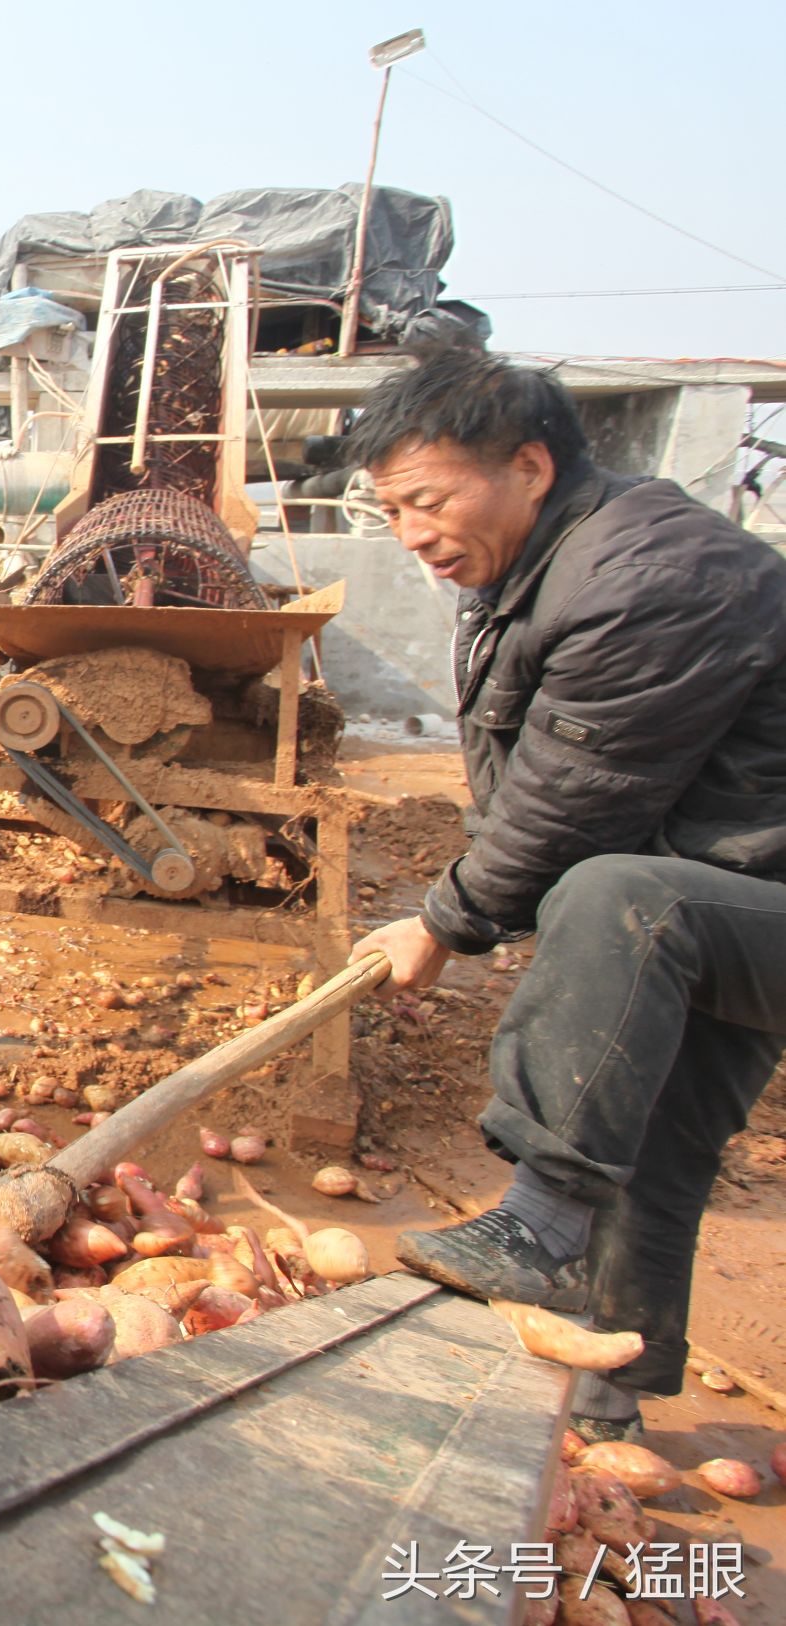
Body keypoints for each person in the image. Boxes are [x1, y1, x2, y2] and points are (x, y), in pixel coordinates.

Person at [349, 349, 786, 1444]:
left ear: (528, 466)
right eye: (390, 509)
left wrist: (445, 920)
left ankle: (535, 1226)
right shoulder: (537, 571)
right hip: (732, 891)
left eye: (425, 500)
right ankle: (607, 1416)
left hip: (726, 897)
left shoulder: (650, 575)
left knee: (619, 898)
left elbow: (574, 799)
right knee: (658, 1144)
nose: (409, 532)